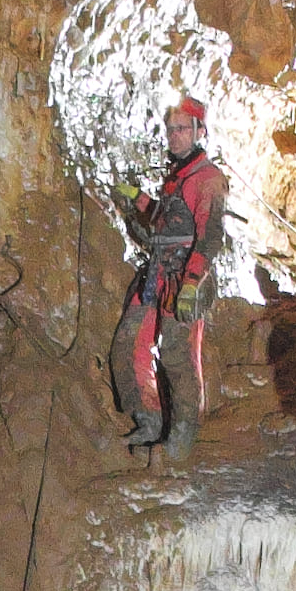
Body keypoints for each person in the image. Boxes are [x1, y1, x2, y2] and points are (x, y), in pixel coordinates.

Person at [110, 95, 229, 454]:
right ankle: (149, 421)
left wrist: (192, 282)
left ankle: (180, 442)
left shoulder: (207, 179)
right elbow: (166, 216)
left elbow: (209, 237)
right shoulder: (177, 177)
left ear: (199, 131)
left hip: (184, 280)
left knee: (178, 357)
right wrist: (138, 199)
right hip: (158, 276)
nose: (174, 136)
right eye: (171, 129)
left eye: (182, 129)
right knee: (128, 344)